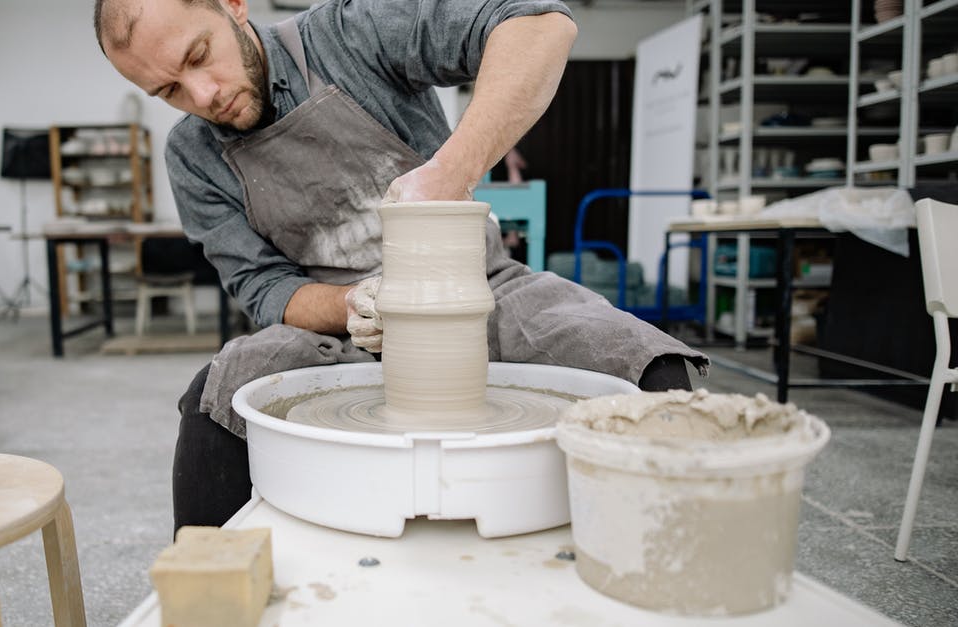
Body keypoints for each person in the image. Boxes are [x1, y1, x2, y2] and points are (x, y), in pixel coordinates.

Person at [95, 0, 709, 531]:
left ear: (231, 5)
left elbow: (539, 21)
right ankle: (209, 591)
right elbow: (262, 286)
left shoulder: (349, 33)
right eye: (170, 90)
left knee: (642, 364)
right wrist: (354, 306)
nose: (203, 96)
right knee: (217, 395)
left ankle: (656, 562)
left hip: (478, 288)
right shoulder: (192, 154)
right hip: (337, 328)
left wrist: (451, 172)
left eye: (200, 55)